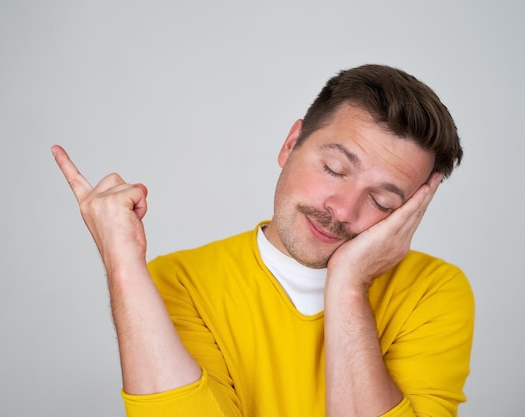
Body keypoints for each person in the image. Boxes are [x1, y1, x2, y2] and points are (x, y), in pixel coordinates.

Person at [52, 64, 474, 417]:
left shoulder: (433, 291)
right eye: (333, 168)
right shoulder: (180, 283)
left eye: (381, 201)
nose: (343, 210)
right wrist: (122, 263)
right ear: (291, 144)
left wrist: (347, 285)